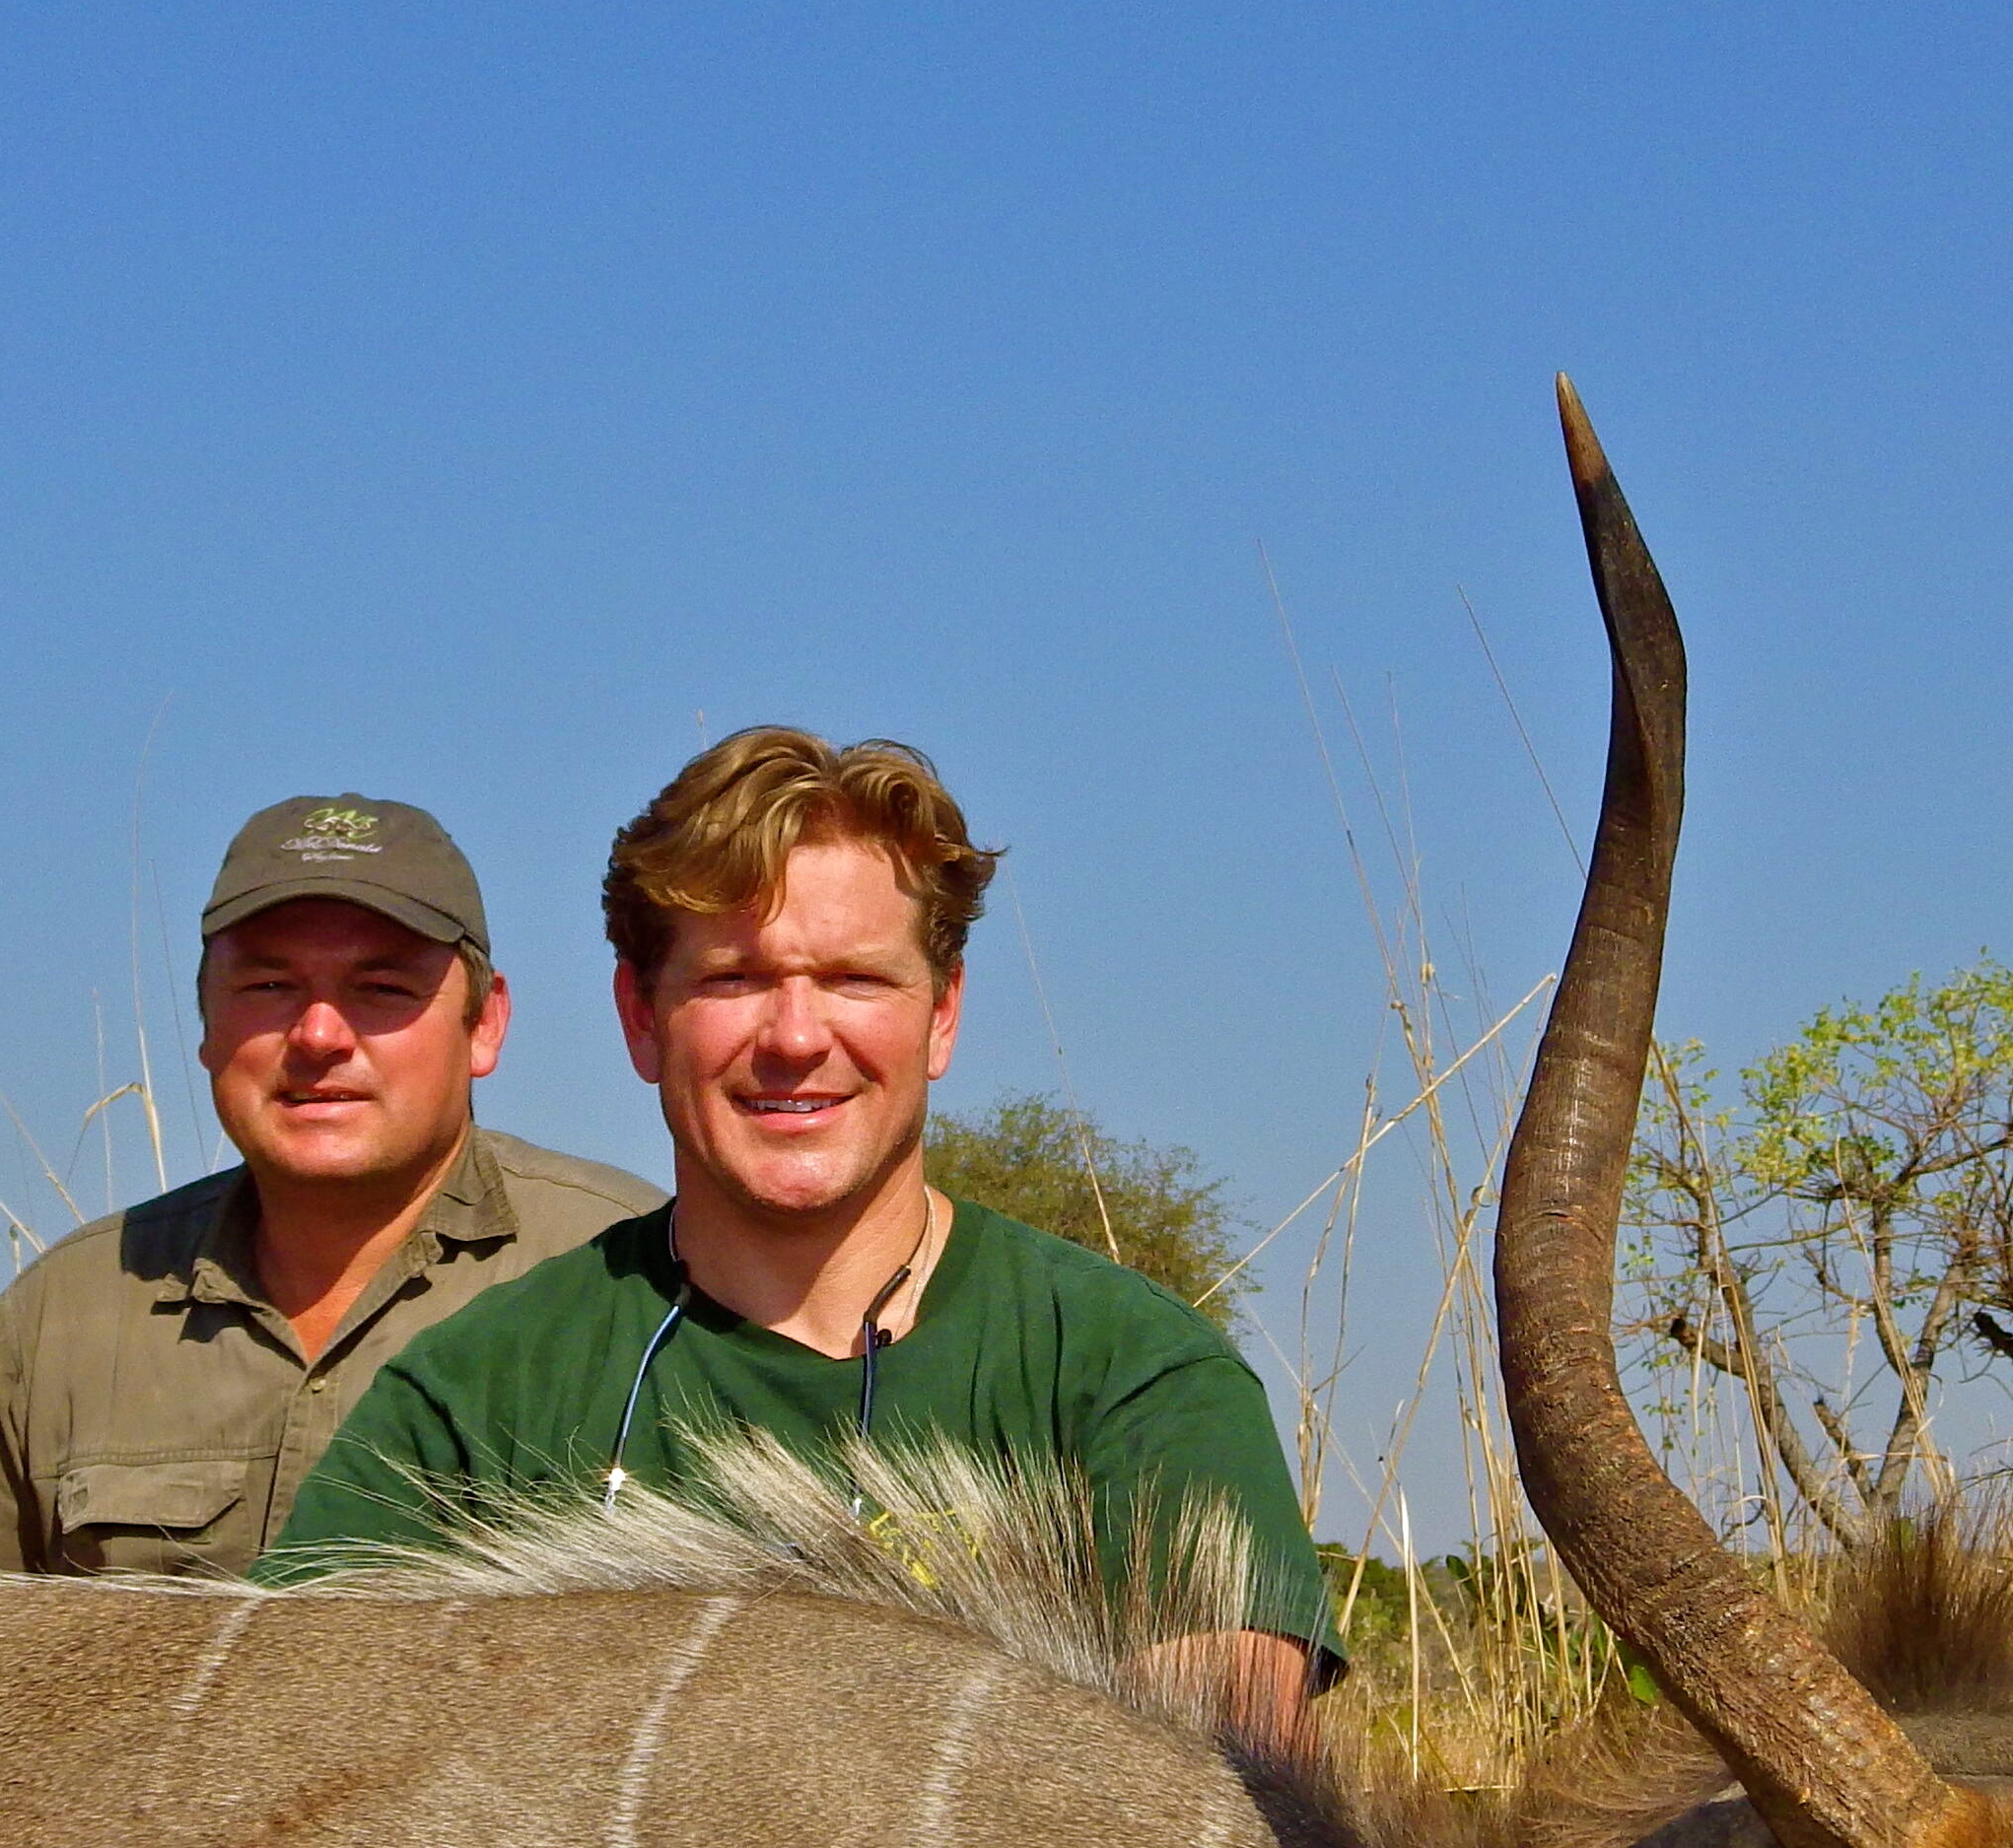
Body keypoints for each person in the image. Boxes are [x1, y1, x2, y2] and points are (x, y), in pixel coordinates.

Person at [260, 729, 1337, 1744]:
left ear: (943, 1013)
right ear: (641, 1016)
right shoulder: (476, 1398)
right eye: (734, 980)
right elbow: (288, 1742)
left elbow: (1196, 1822)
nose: (795, 1038)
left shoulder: (1133, 1380)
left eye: (855, 979)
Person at [0, 794, 659, 1582]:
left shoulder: (635, 1275)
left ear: (484, 1023)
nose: (320, 1035)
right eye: (269, 987)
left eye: (382, 988)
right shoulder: (60, 1317)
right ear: (208, 1024)